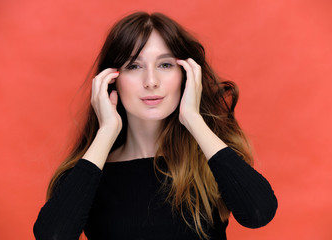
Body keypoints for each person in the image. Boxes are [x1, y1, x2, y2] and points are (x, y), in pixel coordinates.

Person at [33, 11, 277, 240]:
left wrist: (193, 119)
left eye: (165, 65)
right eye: (134, 66)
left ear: (187, 76)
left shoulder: (211, 159)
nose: (151, 81)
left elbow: (258, 213)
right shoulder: (88, 173)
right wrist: (106, 132)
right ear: (112, 80)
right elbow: (53, 235)